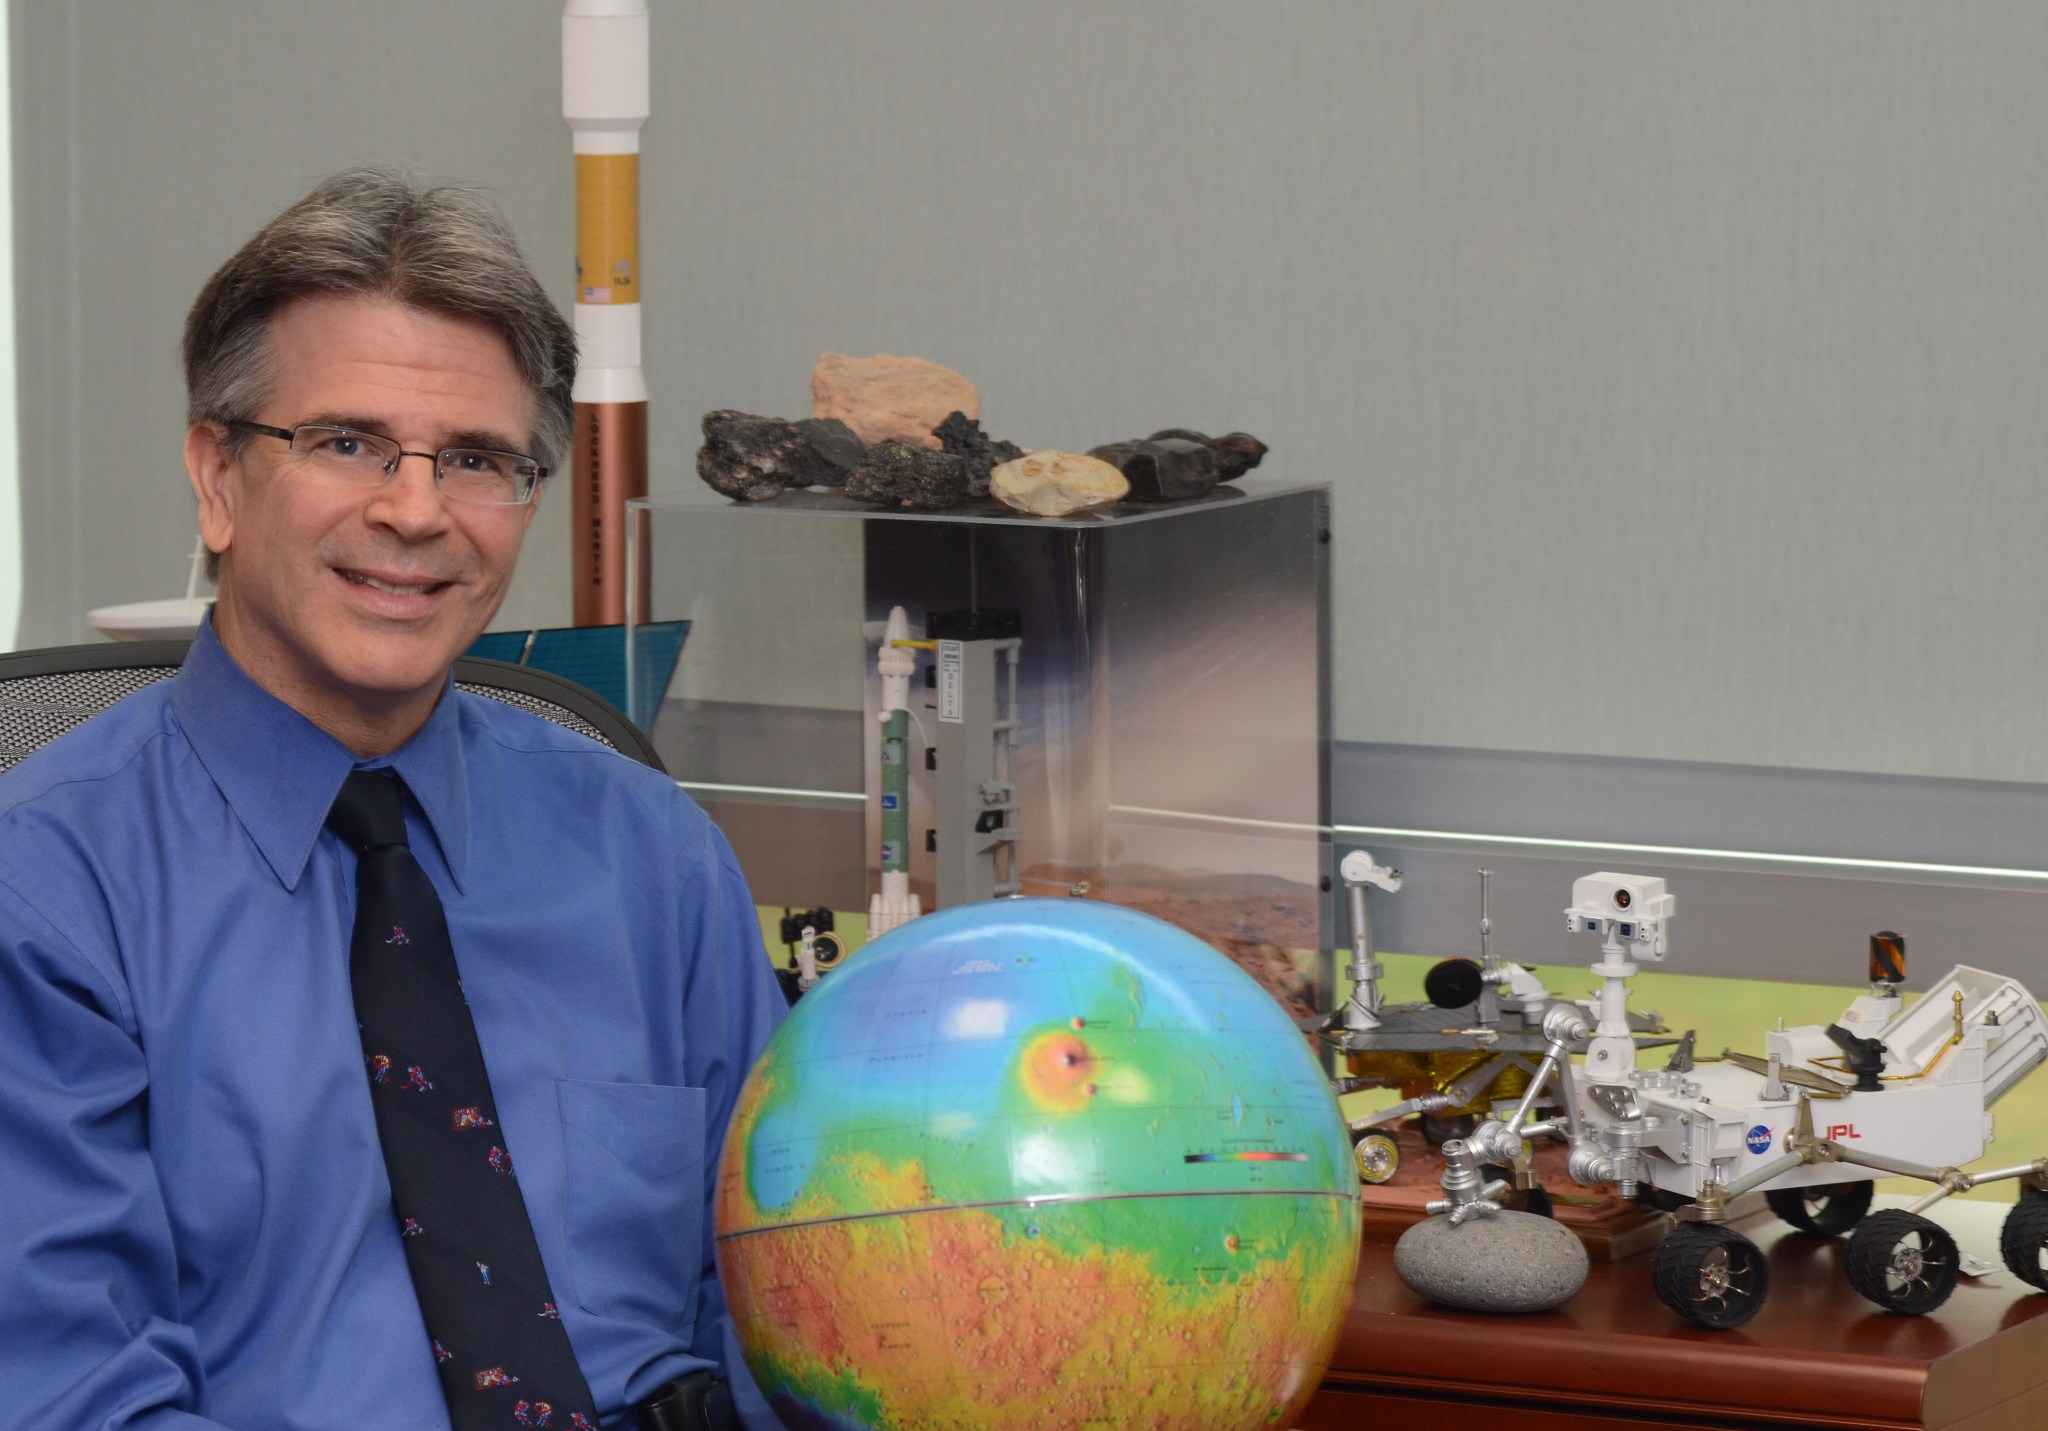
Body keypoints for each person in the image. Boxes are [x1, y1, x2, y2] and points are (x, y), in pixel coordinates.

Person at [0, 170, 785, 1430]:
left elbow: (779, 1331)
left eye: (477, 459)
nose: (414, 512)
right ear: (215, 477)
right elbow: (70, 1398)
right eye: (345, 442)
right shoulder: (42, 895)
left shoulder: (654, 858)